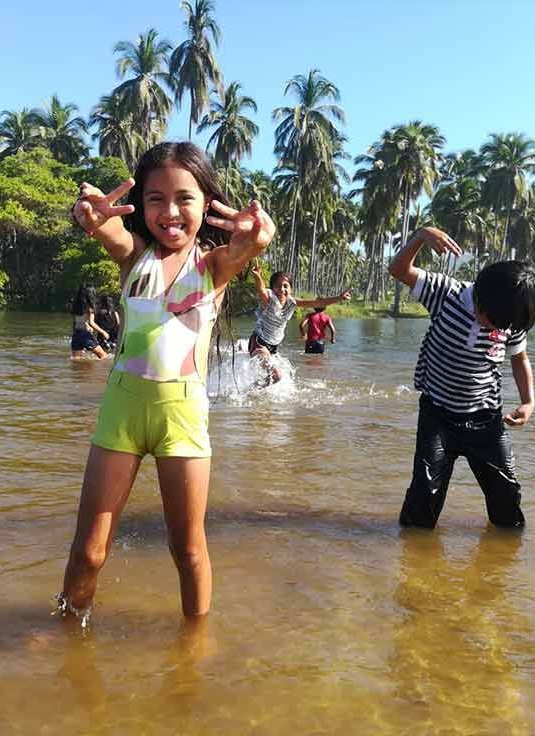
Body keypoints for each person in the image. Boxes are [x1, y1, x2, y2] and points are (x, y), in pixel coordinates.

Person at [59, 142, 275, 622]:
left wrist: (257, 237)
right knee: (88, 552)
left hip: (183, 420)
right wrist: (88, 216)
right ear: (141, 206)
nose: (170, 211)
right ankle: (66, 633)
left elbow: (246, 247)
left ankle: (193, 653)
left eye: (184, 198)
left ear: (206, 203)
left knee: (189, 553)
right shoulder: (135, 257)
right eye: (155, 198)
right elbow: (108, 230)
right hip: (121, 414)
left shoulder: (214, 266)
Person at [388, 226, 535, 529]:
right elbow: (398, 269)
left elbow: (519, 358)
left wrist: (528, 401)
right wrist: (420, 237)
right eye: (489, 319)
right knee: (423, 502)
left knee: (507, 500)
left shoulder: (510, 316)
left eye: (501, 325)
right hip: (437, 416)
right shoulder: (447, 294)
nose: (493, 327)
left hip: (485, 419)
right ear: (480, 297)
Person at [247, 263, 350, 381]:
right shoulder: (269, 299)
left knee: (281, 377)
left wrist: (339, 298)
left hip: (273, 348)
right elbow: (261, 290)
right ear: (272, 288)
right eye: (277, 286)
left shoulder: (292, 302)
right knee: (277, 376)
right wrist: (257, 276)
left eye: (286, 286)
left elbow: (318, 303)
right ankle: (253, 393)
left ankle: (254, 392)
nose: (282, 289)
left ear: (291, 289)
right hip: (258, 343)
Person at [69, 284, 110, 360]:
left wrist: (84, 327)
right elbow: (92, 322)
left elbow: (75, 322)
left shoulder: (75, 306)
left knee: (76, 360)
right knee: (105, 357)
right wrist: (103, 332)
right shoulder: (90, 307)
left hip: (76, 335)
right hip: (85, 335)